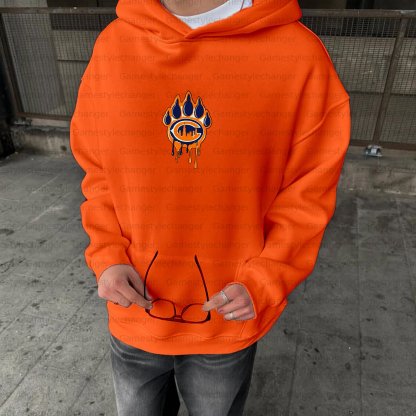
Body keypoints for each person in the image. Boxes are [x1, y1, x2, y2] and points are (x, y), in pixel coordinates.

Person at [69, 0, 351, 414]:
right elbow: (99, 173)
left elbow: (308, 193)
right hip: (134, 306)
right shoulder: (114, 46)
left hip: (226, 313)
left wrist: (265, 279)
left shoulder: (298, 55)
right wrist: (107, 255)